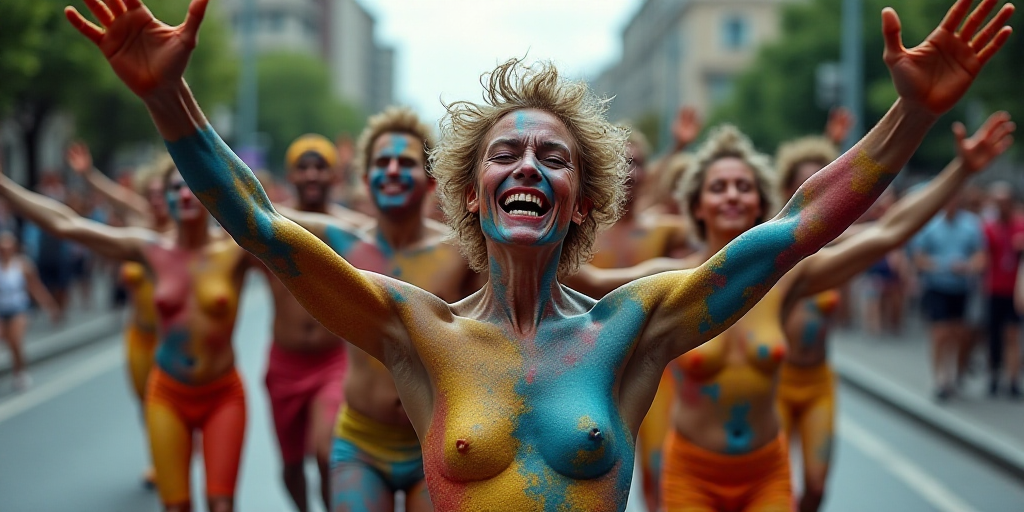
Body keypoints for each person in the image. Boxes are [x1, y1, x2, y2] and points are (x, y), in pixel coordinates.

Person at [64, 0, 1013, 509]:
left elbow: (797, 224)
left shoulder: (631, 328)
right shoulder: (413, 327)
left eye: (551, 156)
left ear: (583, 200)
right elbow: (266, 229)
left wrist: (912, 117)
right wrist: (167, 103)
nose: (526, 165)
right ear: (473, 193)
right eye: (504, 154)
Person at [772, 111, 1012, 511]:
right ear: (786, 189)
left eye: (820, 186)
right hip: (773, 383)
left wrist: (957, 170)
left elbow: (892, 228)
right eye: (803, 186)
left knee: (815, 488)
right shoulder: (764, 254)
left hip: (817, 382)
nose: (815, 197)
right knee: (776, 490)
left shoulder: (830, 245)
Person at [0, 157, 257, 512]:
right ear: (165, 198)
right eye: (174, 188)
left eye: (193, 186)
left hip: (223, 394)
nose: (184, 195)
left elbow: (294, 236)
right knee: (176, 507)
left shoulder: (236, 252)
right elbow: (67, 225)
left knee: (222, 505)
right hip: (167, 391)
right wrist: (3, 185)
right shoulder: (150, 248)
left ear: (208, 194)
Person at [279, 107, 476, 512]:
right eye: (380, 163)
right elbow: (254, 213)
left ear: (430, 181)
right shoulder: (339, 244)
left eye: (405, 163)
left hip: (436, 443)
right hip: (361, 445)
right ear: (366, 178)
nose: (391, 170)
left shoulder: (463, 253)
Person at [262, 134, 368, 512]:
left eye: (320, 166)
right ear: (290, 174)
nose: (311, 174)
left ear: (334, 176)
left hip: (333, 362)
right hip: (284, 366)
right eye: (303, 167)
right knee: (291, 467)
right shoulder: (265, 227)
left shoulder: (351, 231)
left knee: (327, 453)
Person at [68, 142, 176, 487]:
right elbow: (114, 196)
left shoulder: (182, 233)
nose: (157, 200)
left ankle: (178, 450)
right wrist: (87, 174)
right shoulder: (139, 225)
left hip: (172, 338)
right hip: (139, 335)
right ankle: (158, 458)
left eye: (164, 193)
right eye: (152, 194)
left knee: (170, 401)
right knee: (146, 402)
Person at [0, 231, 61, 391]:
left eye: (8, 247)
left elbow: (35, 288)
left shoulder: (22, 265)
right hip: (2, 309)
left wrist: (50, 306)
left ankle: (20, 372)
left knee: (15, 342)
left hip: (18, 308)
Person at [982, 181, 1024, 397]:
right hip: (993, 288)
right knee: (994, 336)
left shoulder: (1021, 225)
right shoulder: (989, 227)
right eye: (998, 202)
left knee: (1012, 334)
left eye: (1005, 202)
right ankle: (993, 374)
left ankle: (1013, 380)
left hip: (1015, 291)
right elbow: (983, 258)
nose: (1001, 206)